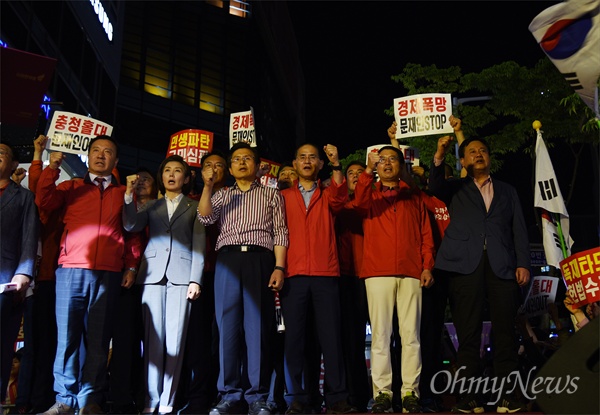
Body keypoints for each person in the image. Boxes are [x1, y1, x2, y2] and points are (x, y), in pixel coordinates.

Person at [35, 135, 142, 415]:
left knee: (98, 340)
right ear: (88, 156)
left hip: (108, 271)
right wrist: (52, 167)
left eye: (108, 152)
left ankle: (89, 399)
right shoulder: (71, 187)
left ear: (116, 161)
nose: (101, 155)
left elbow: (131, 232)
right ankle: (64, 399)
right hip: (71, 268)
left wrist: (131, 265)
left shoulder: (123, 193)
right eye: (96, 150)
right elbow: (44, 200)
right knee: (67, 337)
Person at [428, 135, 531, 414]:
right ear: (463, 161)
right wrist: (440, 154)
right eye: (471, 152)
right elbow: (434, 186)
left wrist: (522, 263)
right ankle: (468, 397)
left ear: (489, 156)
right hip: (463, 266)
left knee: (506, 333)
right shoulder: (456, 187)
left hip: (502, 266)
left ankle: (508, 396)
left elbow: (519, 229)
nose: (478, 155)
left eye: (483, 150)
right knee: (468, 333)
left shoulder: (507, 190)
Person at [197, 142, 288, 415]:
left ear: (258, 165)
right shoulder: (223, 194)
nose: (241, 162)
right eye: (236, 159)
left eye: (247, 158)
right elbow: (205, 218)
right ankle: (228, 393)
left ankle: (257, 396)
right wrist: (208, 186)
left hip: (260, 259)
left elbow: (280, 233)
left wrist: (279, 267)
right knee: (227, 327)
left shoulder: (272, 195)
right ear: (231, 166)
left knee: (257, 328)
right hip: (227, 259)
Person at [352, 146, 435, 414]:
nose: (387, 164)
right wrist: (366, 170)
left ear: (401, 165)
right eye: (382, 160)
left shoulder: (413, 197)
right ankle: (382, 394)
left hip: (411, 271)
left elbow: (425, 234)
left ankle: (410, 391)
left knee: (411, 336)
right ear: (376, 165)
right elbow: (357, 203)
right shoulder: (369, 194)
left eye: (392, 159)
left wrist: (427, 266)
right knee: (380, 336)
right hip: (377, 271)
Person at [123, 155, 205, 415]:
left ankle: (167, 402)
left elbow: (200, 243)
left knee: (176, 341)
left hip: (182, 276)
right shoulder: (152, 205)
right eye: (167, 170)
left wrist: (196, 278)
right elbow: (131, 224)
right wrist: (128, 196)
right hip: (153, 275)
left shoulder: (194, 206)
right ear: (162, 177)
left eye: (177, 170)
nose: (171, 174)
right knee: (152, 340)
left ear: (186, 177)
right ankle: (150, 400)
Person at [280, 143, 356, 415]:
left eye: (313, 157)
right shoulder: (283, 196)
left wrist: (337, 164)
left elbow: (340, 197)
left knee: (331, 338)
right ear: (295, 163)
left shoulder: (328, 194)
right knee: (295, 339)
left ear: (320, 164)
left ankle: (336, 398)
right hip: (294, 273)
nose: (308, 161)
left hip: (326, 273)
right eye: (302, 157)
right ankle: (298, 397)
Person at [177, 151, 228, 415]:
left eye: (219, 166)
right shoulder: (191, 201)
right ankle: (197, 397)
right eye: (209, 165)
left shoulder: (235, 198)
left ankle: (225, 395)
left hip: (228, 273)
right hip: (197, 276)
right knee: (197, 339)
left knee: (225, 338)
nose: (214, 170)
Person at [109, 166, 158, 415]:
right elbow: (130, 239)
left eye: (146, 179)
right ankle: (122, 399)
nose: (140, 182)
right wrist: (130, 266)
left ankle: (146, 396)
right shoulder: (126, 207)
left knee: (152, 343)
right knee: (125, 341)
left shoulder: (162, 207)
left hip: (157, 281)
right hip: (130, 280)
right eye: (136, 179)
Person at [0, 141, 40, 408]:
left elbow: (29, 236)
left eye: (1, 154)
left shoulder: (23, 197)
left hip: (5, 279)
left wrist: (23, 274)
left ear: (14, 164)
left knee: (2, 345)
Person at [334, 161, 370, 413]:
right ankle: (355, 395)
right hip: (346, 277)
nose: (356, 177)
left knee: (384, 337)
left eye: (361, 173)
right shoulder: (340, 206)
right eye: (352, 174)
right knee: (351, 340)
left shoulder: (373, 202)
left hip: (373, 275)